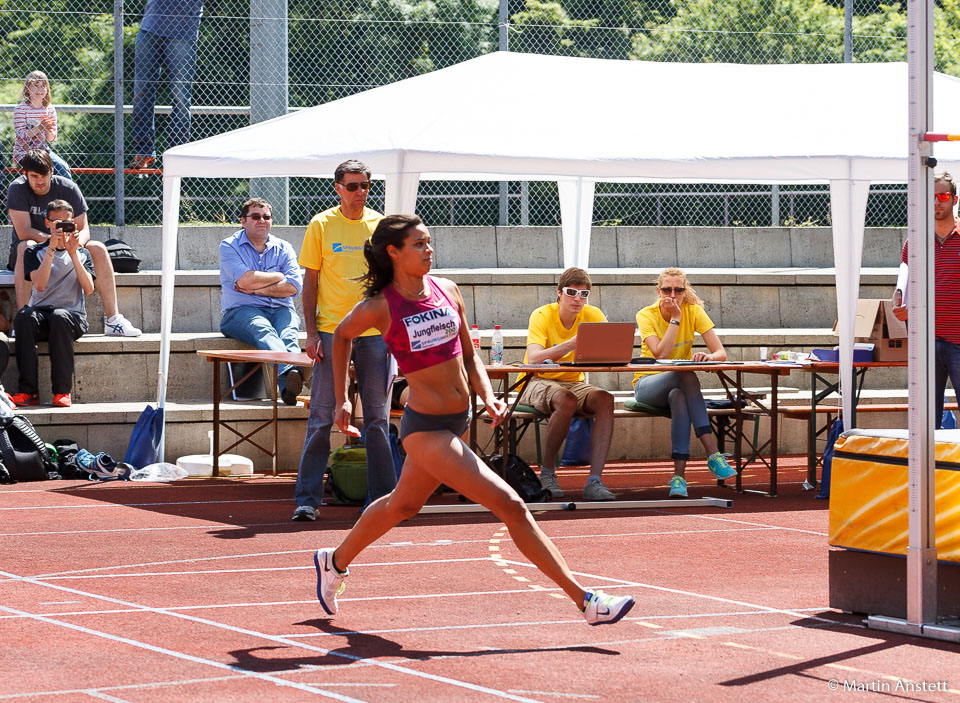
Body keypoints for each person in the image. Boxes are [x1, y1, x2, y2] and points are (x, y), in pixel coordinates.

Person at [312, 213, 635, 626]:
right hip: (425, 429)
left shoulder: (446, 289)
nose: (430, 250)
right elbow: (340, 335)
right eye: (419, 244)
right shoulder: (380, 306)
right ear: (392, 252)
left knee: (403, 504)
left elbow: (469, 355)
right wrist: (341, 397)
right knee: (512, 505)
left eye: (430, 242)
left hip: (458, 418)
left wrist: (487, 397)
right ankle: (587, 601)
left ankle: (334, 561)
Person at [292, 160, 393, 521]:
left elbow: (389, 278)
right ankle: (307, 500)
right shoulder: (321, 223)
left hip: (372, 333)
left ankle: (384, 501)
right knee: (321, 416)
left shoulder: (380, 225)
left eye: (365, 185)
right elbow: (311, 281)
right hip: (332, 331)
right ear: (338, 187)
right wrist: (312, 331)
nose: (359, 193)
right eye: (352, 186)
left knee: (377, 419)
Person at [6, 150, 141, 337]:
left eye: (44, 175)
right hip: (34, 253)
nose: (40, 181)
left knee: (98, 248)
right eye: (34, 176)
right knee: (25, 245)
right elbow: (24, 231)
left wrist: (73, 245)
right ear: (24, 174)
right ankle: (22, 321)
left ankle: (113, 319)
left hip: (68, 251)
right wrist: (53, 242)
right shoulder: (17, 188)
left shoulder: (68, 187)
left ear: (52, 171)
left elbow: (84, 229)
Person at [633, 268, 738, 498]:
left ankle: (678, 477)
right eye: (667, 289)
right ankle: (712, 452)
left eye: (679, 289)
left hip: (677, 387)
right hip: (647, 384)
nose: (673, 294)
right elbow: (661, 355)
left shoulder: (695, 311)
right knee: (686, 373)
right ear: (658, 291)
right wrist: (675, 318)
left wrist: (708, 357)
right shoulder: (646, 314)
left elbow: (720, 353)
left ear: (685, 290)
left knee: (680, 397)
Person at [519, 267, 616, 501]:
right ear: (559, 293)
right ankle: (548, 473)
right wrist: (573, 344)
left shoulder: (594, 315)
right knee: (566, 399)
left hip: (574, 381)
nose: (577, 299)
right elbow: (534, 358)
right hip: (536, 379)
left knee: (605, 399)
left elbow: (607, 352)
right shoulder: (542, 314)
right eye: (572, 292)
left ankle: (595, 480)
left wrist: (609, 352)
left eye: (584, 294)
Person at [9, 200, 94, 408]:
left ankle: (62, 392)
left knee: (60, 316)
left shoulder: (83, 253)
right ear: (47, 223)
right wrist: (51, 250)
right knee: (24, 316)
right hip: (42, 315)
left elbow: (89, 288)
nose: (61, 226)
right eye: (57, 222)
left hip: (71, 317)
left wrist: (72, 253)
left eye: (66, 222)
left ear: (73, 223)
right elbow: (39, 284)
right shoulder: (34, 251)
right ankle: (28, 391)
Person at [219, 197, 304, 405]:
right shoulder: (229, 246)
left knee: (288, 334)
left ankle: (288, 389)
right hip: (240, 312)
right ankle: (295, 372)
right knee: (262, 329)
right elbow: (245, 279)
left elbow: (294, 286)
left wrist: (255, 290)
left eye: (266, 216)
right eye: (255, 216)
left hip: (280, 309)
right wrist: (277, 276)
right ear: (243, 221)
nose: (262, 220)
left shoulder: (284, 247)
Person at [892, 172, 960, 427]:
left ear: (954, 199)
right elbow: (904, 286)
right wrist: (901, 306)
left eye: (942, 196)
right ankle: (931, 468)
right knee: (926, 422)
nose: (936, 202)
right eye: (930, 197)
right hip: (926, 342)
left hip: (958, 340)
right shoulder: (914, 242)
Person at [129, 0, 204, 169]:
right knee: (141, 93)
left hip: (183, 30)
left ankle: (176, 155)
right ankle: (144, 151)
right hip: (150, 25)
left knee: (181, 98)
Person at [12, 70, 71, 179]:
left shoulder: (50, 109)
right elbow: (22, 136)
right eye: (36, 85)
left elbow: (51, 139)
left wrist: (48, 128)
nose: (40, 89)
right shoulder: (20, 109)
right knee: (39, 169)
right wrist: (40, 127)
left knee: (63, 167)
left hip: (43, 150)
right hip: (24, 152)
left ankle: (67, 195)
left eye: (43, 86)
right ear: (27, 90)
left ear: (47, 89)